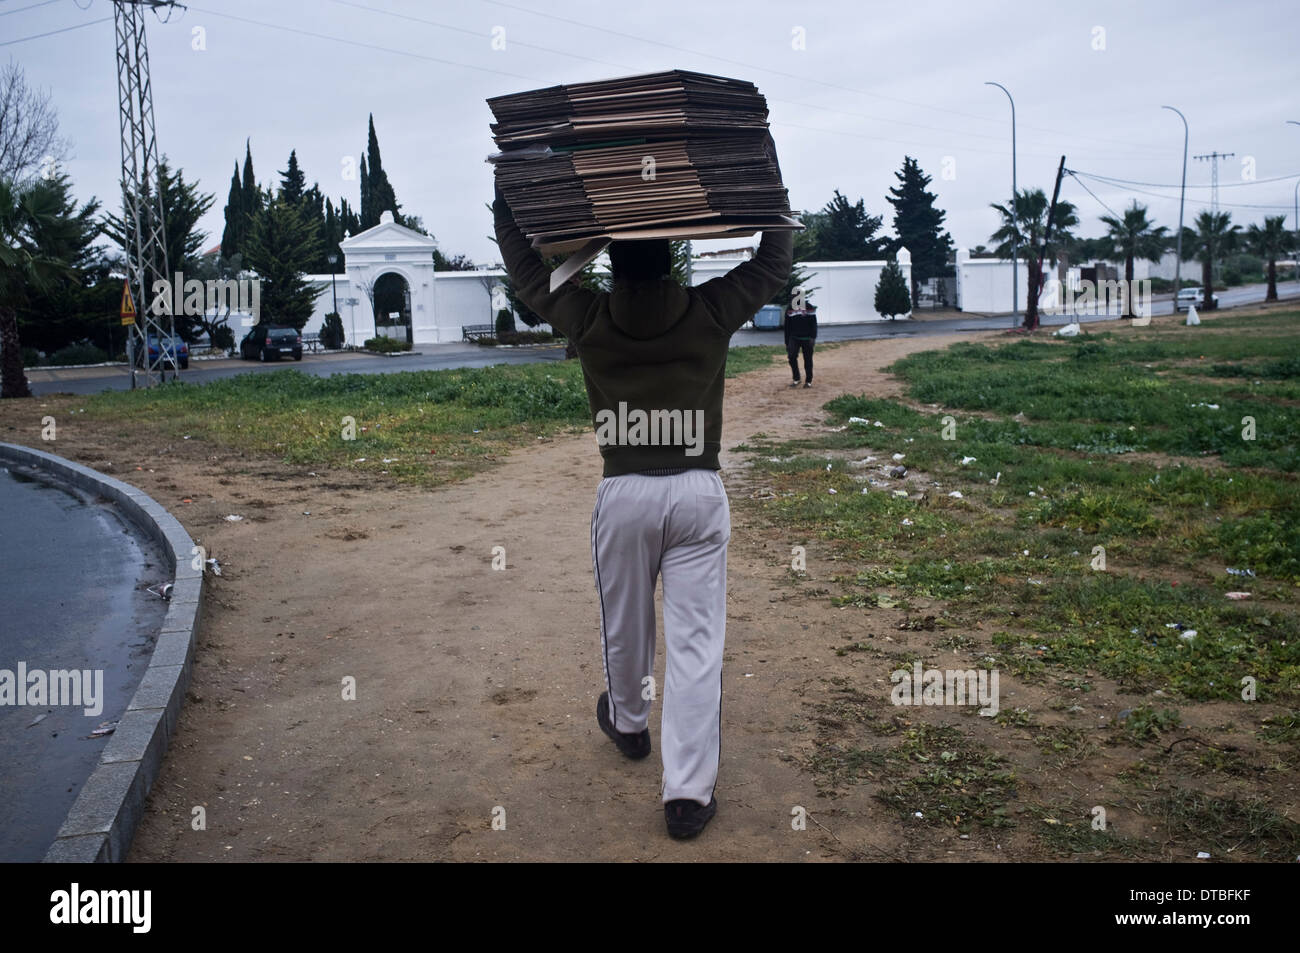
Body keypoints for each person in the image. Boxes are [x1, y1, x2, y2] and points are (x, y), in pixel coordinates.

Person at [494, 184, 793, 839]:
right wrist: (774, 195)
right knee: (695, 644)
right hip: (697, 492)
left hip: (624, 492)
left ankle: (628, 723)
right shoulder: (710, 308)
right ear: (671, 260)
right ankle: (685, 797)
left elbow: (524, 275)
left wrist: (505, 200)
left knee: (624, 622)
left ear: (611, 263)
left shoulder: (589, 315)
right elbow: (773, 266)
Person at [783, 301, 817, 387]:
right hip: (794, 338)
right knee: (791, 357)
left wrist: (813, 337)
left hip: (807, 338)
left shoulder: (808, 306)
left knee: (808, 359)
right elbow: (787, 326)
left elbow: (814, 323)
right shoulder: (790, 308)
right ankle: (796, 378)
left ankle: (808, 381)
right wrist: (787, 342)